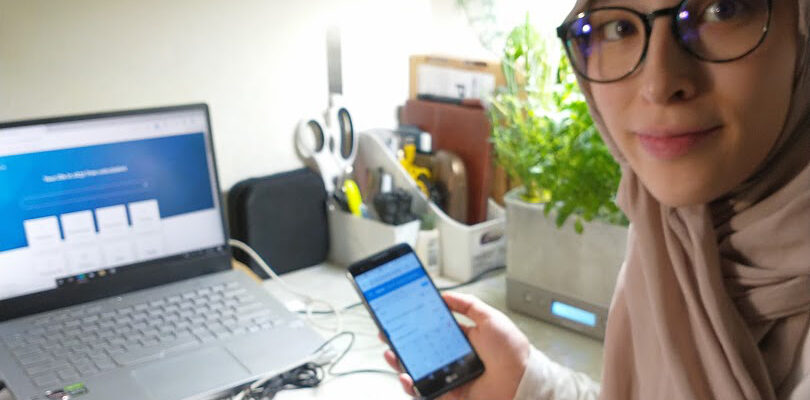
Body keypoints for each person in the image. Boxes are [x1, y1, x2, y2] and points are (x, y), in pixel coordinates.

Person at [382, 0, 810, 398]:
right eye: (619, 27)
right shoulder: (668, 230)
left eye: (722, 9)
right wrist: (524, 381)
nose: (658, 83)